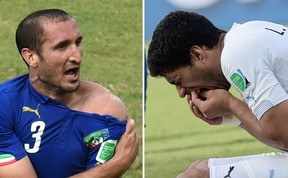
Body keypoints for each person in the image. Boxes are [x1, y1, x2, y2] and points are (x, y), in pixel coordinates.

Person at [147, 10, 288, 177]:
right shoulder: (245, 35)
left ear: (197, 54)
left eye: (178, 80)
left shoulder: (236, 54)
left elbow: (283, 138)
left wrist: (230, 104)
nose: (181, 92)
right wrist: (231, 114)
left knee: (195, 176)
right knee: (199, 166)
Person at [0, 9, 139, 178]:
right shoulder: (5, 103)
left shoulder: (104, 110)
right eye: (62, 46)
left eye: (78, 43)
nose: (77, 57)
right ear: (31, 57)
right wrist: (115, 166)